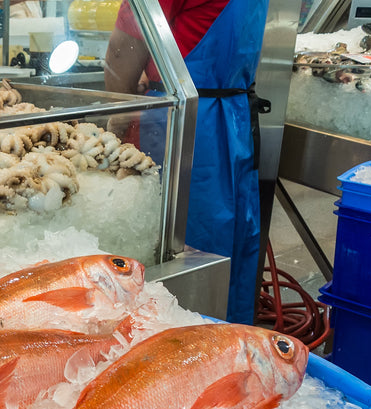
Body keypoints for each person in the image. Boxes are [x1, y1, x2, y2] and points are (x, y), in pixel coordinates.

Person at [104, 0, 268, 324]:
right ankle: (229, 350)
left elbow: (123, 50)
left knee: (175, 256)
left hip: (181, 123)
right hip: (232, 118)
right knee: (226, 252)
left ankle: (174, 357)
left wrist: (119, 114)